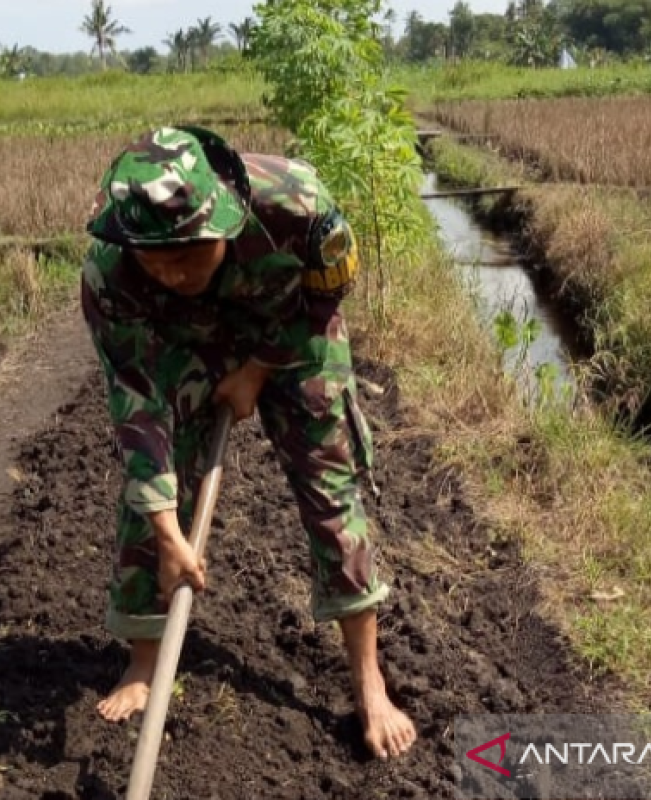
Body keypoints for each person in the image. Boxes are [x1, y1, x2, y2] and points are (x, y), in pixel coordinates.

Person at [81, 126, 417, 760]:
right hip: (181, 341)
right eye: (155, 260)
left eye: (187, 254)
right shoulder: (111, 273)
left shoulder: (297, 207)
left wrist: (259, 368)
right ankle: (145, 661)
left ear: (226, 223)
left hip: (288, 327)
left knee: (328, 482)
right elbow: (137, 405)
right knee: (153, 497)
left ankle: (369, 679)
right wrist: (167, 532)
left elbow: (325, 295)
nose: (172, 272)